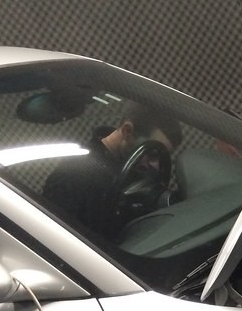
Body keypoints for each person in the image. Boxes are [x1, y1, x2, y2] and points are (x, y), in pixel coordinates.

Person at [42, 102, 183, 240]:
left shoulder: (132, 170)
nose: (156, 166)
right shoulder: (73, 175)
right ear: (127, 131)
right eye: (152, 154)